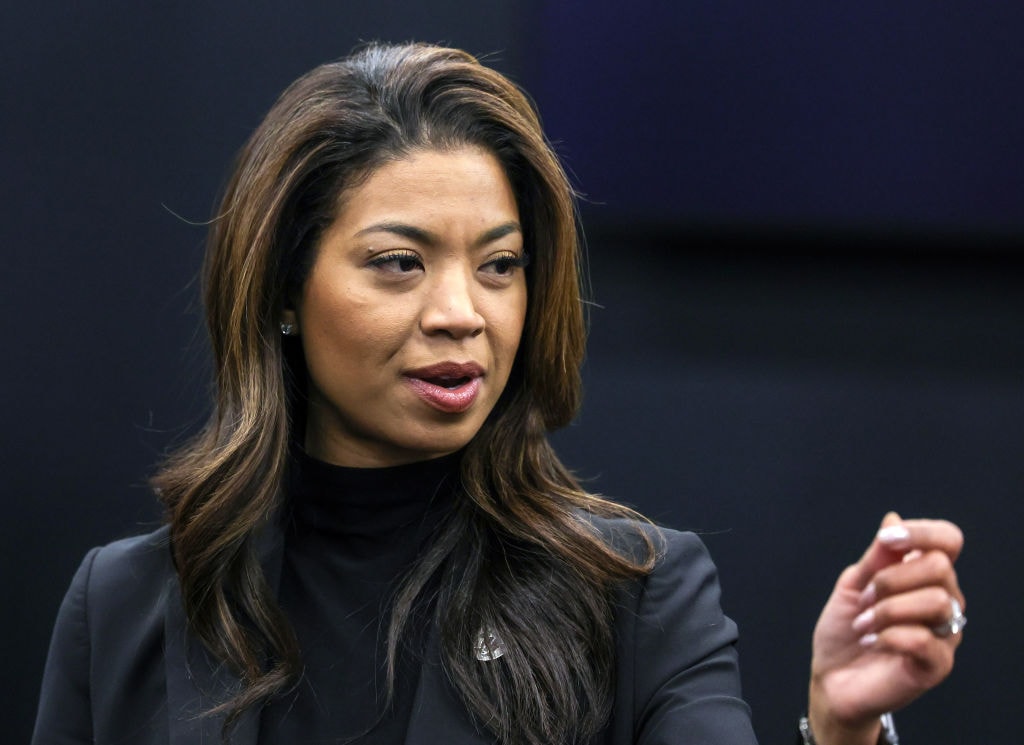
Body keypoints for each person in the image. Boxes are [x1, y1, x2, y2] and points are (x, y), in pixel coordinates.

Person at [31, 42, 965, 745]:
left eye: (500, 265)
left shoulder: (634, 592)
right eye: (399, 263)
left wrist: (838, 728)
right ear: (281, 287)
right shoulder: (128, 602)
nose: (460, 312)